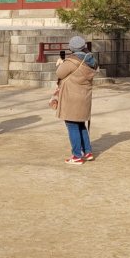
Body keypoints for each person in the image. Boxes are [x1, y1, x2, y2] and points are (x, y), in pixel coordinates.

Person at [55, 35, 98, 163]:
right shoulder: (91, 60)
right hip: (84, 97)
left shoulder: (72, 61)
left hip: (71, 97)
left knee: (72, 125)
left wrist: (61, 64)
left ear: (71, 48)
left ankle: (77, 156)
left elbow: (59, 73)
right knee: (80, 124)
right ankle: (88, 151)